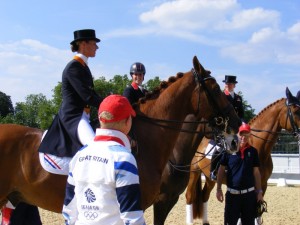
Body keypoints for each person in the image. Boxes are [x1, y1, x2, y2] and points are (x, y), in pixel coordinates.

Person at [62, 95, 146, 225]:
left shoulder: (79, 155)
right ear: (127, 121)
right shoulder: (124, 159)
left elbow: (69, 209)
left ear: (101, 120)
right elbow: (132, 217)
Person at [38, 28, 103, 159]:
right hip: (74, 117)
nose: (97, 47)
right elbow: (88, 96)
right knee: (93, 149)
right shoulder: (74, 67)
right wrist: (110, 104)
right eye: (93, 43)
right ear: (83, 44)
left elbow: (92, 94)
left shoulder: (83, 66)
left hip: (83, 115)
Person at [216, 123, 264, 225]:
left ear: (250, 135)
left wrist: (259, 191)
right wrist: (218, 189)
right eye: (242, 134)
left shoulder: (253, 151)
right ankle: (211, 171)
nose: (244, 137)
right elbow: (221, 169)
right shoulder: (229, 150)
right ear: (238, 134)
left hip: (249, 197)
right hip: (232, 196)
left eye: (246, 134)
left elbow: (256, 172)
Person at [210, 75, 245, 180]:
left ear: (234, 85)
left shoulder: (238, 98)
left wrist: (243, 124)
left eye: (230, 83)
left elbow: (241, 114)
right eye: (226, 83)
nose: (228, 85)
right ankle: (213, 171)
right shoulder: (221, 96)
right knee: (221, 147)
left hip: (236, 127)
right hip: (223, 127)